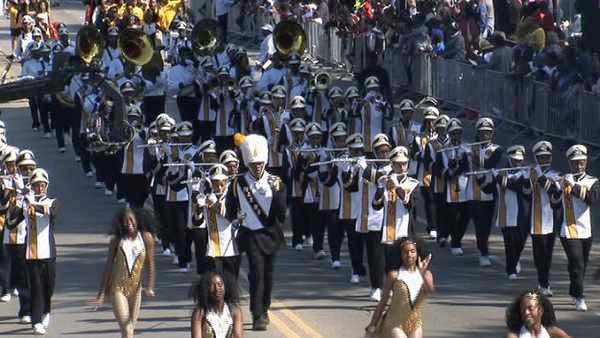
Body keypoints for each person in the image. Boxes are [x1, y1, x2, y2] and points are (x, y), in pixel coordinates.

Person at [225, 134, 286, 330]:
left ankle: (265, 306)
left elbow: (282, 214)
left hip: (270, 234)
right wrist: (237, 218)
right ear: (247, 163)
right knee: (256, 273)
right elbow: (231, 208)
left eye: (260, 163)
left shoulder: (276, 181)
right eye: (253, 164)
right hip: (250, 234)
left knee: (268, 275)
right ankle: (257, 313)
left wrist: (276, 193)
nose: (257, 166)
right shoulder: (237, 183)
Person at [88, 207, 156, 338]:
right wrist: (101, 294)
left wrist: (150, 287)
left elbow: (151, 265)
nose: (129, 223)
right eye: (125, 221)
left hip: (136, 289)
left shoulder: (146, 238)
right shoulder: (116, 240)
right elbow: (108, 267)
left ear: (138, 220)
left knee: (130, 330)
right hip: (117, 288)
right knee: (127, 328)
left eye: (131, 220)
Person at [7, 168, 60, 335]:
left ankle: (47, 311)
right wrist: (16, 201)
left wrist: (31, 204)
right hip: (31, 254)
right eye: (36, 186)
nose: (39, 188)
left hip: (48, 253)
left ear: (47, 186)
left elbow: (51, 213)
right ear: (33, 187)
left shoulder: (52, 201)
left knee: (48, 287)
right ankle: (36, 321)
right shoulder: (26, 203)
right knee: (35, 288)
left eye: (42, 185)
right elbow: (10, 223)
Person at [365, 238, 434, 338]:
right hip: (394, 322)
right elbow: (383, 302)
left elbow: (430, 290)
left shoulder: (426, 274)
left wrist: (422, 272)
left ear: (418, 253)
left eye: (412, 251)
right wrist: (373, 324)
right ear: (400, 255)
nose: (409, 255)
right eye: (405, 252)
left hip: (415, 323)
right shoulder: (394, 275)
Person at [558, 145, 599, 311]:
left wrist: (573, 187)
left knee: (581, 263)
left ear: (586, 162)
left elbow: (592, 199)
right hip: (568, 228)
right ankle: (580, 297)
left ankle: (574, 290)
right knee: (577, 261)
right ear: (569, 163)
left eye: (581, 162)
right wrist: (550, 186)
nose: (578, 166)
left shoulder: (593, 181)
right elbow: (553, 201)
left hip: (586, 229)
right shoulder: (563, 178)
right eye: (575, 163)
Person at [191, 271, 243, 338]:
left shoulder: (235, 311)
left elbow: (238, 336)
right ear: (206, 289)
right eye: (212, 286)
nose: (217, 289)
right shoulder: (200, 313)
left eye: (220, 285)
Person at [505, 289, 571, 338]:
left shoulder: (552, 332)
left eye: (530, 309)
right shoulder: (514, 335)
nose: (526, 312)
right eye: (523, 309)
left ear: (541, 310)